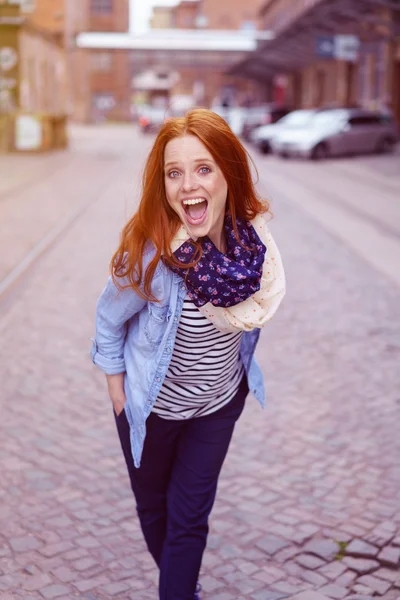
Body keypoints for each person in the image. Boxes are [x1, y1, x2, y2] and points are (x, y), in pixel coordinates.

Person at [90, 108, 286, 600]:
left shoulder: (253, 248)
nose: (187, 185)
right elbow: (109, 320)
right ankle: (180, 581)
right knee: (154, 509)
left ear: (228, 174)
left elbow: (247, 326)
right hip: (150, 409)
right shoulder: (152, 254)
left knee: (189, 520)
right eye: (174, 173)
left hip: (215, 408)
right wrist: (117, 389)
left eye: (203, 169)